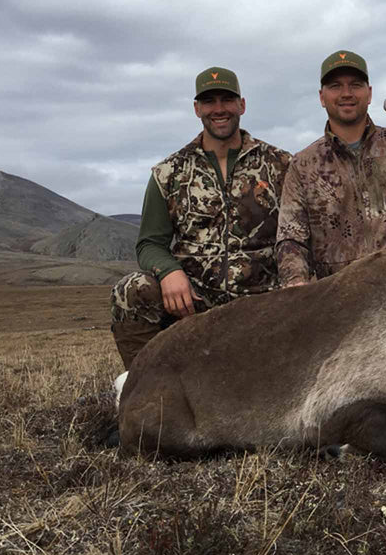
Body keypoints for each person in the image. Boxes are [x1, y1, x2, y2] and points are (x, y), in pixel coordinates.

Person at [110, 66, 291, 368]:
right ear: (197, 109)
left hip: (263, 301)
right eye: (209, 102)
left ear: (242, 105)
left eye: (227, 100)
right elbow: (149, 244)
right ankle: (147, 390)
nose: (219, 109)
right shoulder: (168, 173)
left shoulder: (281, 165)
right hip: (194, 304)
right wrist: (169, 272)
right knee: (130, 290)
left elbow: (300, 233)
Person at [275, 50, 386, 287]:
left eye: (355, 85)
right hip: (338, 299)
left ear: (369, 94)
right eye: (335, 86)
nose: (346, 93)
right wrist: (295, 286)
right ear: (322, 97)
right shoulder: (302, 165)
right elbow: (291, 240)